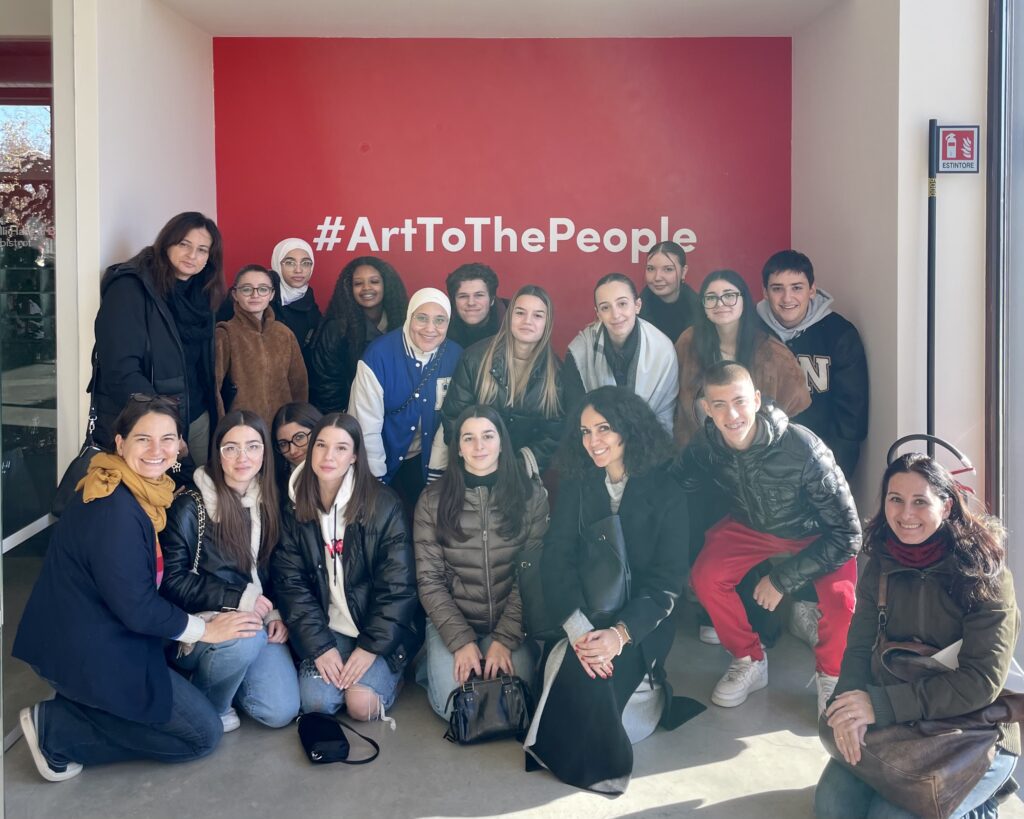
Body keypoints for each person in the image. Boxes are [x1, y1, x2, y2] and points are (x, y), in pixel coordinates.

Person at [13, 396, 263, 781]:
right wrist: (205, 629)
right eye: (143, 439)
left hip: (101, 636)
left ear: (181, 444)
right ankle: (57, 729)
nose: (156, 450)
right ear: (120, 443)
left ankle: (89, 705)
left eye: (167, 439)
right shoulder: (114, 507)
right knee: (201, 735)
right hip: (90, 650)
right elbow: (138, 606)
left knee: (180, 704)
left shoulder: (136, 490)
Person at [816, 453, 1020, 819]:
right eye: (895, 499)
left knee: (888, 816)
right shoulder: (880, 563)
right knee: (834, 808)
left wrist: (879, 706)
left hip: (971, 727)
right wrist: (848, 708)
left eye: (920, 501)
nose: (905, 515)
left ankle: (983, 802)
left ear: (946, 505)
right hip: (902, 718)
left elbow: (981, 683)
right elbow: (860, 645)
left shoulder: (986, 574)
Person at [525, 386, 700, 794]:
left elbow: (667, 583)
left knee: (598, 679)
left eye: (604, 428)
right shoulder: (577, 484)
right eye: (585, 432)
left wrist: (620, 636)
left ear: (629, 430)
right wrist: (579, 628)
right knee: (584, 668)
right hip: (585, 613)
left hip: (640, 621)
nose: (593, 441)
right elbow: (557, 560)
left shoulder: (668, 493)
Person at [671, 362, 860, 713]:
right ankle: (749, 658)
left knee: (841, 599)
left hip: (814, 532)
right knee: (706, 576)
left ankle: (832, 675)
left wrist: (780, 580)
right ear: (707, 410)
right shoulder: (708, 443)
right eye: (720, 405)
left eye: (740, 401)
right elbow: (675, 482)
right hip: (750, 526)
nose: (732, 414)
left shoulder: (803, 448)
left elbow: (848, 535)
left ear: (757, 400)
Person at [271, 413, 423, 721]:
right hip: (331, 627)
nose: (329, 456)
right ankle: (349, 671)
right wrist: (320, 646)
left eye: (341, 448)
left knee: (361, 705)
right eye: (321, 445)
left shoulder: (383, 505)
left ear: (354, 456)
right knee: (315, 704)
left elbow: (397, 588)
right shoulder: (293, 506)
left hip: (378, 630)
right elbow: (291, 585)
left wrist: (370, 648)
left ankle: (392, 673)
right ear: (311, 450)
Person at [161, 410, 300, 731]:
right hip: (200, 628)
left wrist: (275, 611)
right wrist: (240, 597)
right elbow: (172, 581)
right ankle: (210, 706)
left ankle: (227, 674)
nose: (242, 457)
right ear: (217, 453)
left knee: (279, 711)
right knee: (246, 639)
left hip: (255, 621)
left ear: (265, 452)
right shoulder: (191, 505)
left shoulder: (271, 501)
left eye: (253, 446)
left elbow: (280, 568)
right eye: (231, 448)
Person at [414, 405, 549, 719]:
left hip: (510, 620)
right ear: (457, 448)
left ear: (502, 442)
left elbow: (529, 576)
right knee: (457, 709)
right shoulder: (432, 501)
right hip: (455, 619)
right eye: (468, 438)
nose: (479, 447)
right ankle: (432, 661)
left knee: (518, 701)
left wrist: (504, 639)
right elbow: (429, 580)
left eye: (488, 436)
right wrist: (460, 641)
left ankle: (491, 649)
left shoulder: (532, 496)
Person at [93, 212, 223, 465]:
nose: (192, 255)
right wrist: (164, 428)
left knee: (194, 497)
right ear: (166, 243)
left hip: (197, 416)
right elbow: (121, 370)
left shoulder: (204, 293)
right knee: (156, 499)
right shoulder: (130, 287)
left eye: (202, 249)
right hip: (152, 425)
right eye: (184, 244)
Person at [756, 249, 869, 480]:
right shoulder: (750, 331)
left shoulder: (839, 334)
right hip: (761, 465)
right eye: (777, 288)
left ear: (812, 290)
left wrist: (833, 472)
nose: (787, 298)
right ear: (765, 292)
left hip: (820, 465)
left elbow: (851, 419)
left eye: (797, 287)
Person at [348, 287, 462, 510]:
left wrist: (437, 473)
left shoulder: (456, 356)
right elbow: (366, 423)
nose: (430, 328)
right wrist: (375, 480)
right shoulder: (378, 355)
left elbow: (452, 417)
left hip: (430, 459)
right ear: (409, 317)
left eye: (440, 320)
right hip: (382, 455)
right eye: (422, 318)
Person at [674, 269, 810, 447]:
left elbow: (797, 406)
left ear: (744, 300)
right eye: (711, 298)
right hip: (698, 451)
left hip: (759, 456)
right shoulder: (688, 343)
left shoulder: (773, 353)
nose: (720, 303)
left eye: (729, 295)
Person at [441, 285, 565, 477]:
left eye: (538, 315)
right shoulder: (474, 358)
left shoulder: (556, 372)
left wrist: (517, 468)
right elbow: (453, 420)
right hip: (474, 470)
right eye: (520, 313)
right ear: (509, 317)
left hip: (521, 475)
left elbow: (552, 436)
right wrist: (480, 463)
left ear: (547, 323)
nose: (527, 321)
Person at [563, 274, 678, 434]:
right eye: (605, 307)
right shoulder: (579, 351)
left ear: (637, 305)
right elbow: (576, 418)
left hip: (650, 444)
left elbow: (664, 418)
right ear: (598, 313)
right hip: (595, 446)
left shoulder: (663, 350)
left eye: (622, 304)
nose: (615, 315)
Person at [309, 256, 409, 413]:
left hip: (396, 416)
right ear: (349, 288)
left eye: (374, 281)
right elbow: (327, 386)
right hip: (351, 415)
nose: (366, 288)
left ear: (386, 285)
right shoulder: (336, 329)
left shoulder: (404, 324)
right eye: (358, 283)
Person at [215, 264, 309, 427]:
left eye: (263, 289)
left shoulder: (284, 334)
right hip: (242, 429)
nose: (255, 295)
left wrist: (296, 425)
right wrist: (224, 428)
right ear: (235, 294)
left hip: (281, 429)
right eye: (246, 289)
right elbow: (215, 390)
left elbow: (299, 386)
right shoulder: (225, 334)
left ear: (272, 294)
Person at [638, 241, 701, 344]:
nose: (657, 277)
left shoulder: (701, 311)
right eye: (651, 269)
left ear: (683, 272)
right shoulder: (635, 314)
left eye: (668, 269)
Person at [444, 262, 508, 349]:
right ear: (454, 302)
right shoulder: (441, 326)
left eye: (479, 295)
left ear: (492, 300)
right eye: (463, 296)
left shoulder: (513, 324)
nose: (471, 303)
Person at [271, 401, 323, 501]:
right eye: (283, 444)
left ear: (319, 430)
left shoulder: (344, 471)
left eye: (299, 437)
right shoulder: (277, 486)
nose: (293, 451)